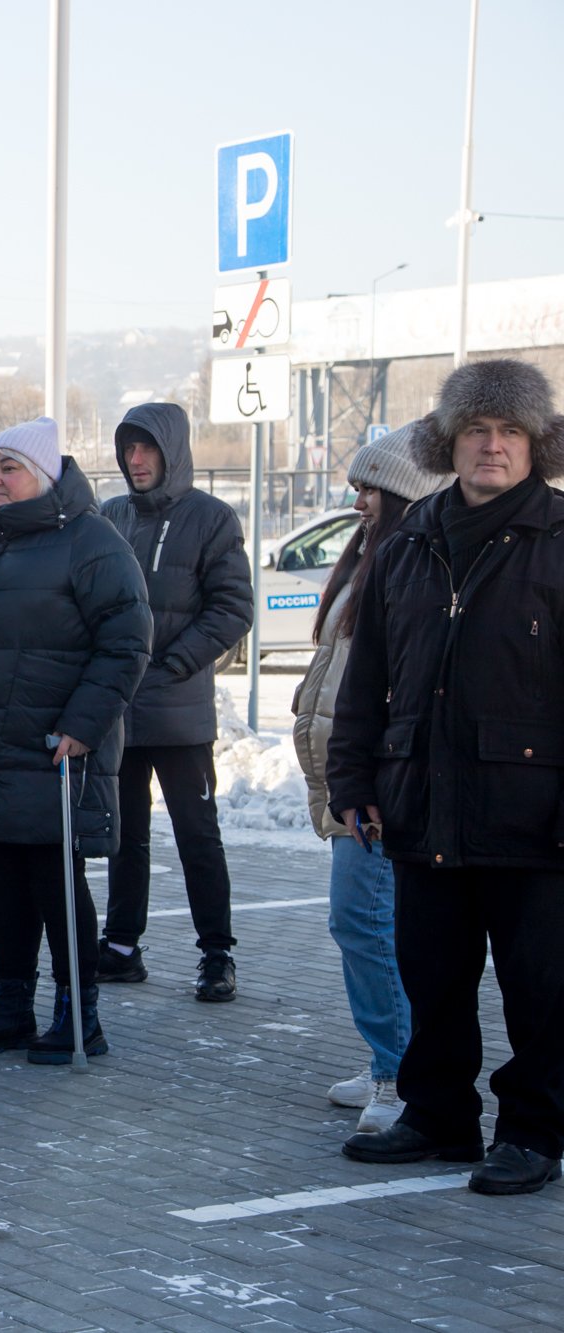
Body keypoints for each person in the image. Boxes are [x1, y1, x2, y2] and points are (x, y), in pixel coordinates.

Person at [331, 358, 564, 1196]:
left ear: (534, 444)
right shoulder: (413, 541)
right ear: (450, 441)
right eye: (476, 430)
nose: (492, 446)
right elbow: (368, 680)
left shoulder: (559, 537)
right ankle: (439, 1114)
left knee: (540, 984)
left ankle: (534, 1130)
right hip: (423, 802)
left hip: (534, 811)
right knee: (433, 972)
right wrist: (352, 778)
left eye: (508, 432)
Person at [0, 418, 150, 1063]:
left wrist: (82, 724)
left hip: (51, 748)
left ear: (43, 475)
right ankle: (9, 1006)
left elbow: (125, 642)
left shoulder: (91, 542)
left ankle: (78, 1015)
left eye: (7, 468)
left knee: (54, 881)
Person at [290, 423, 447, 1136]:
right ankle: (389, 1059)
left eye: (369, 487)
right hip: (348, 780)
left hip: (380, 787)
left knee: (367, 924)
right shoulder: (367, 560)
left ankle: (400, 1072)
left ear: (405, 494)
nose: (357, 500)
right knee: (361, 925)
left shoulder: (413, 565)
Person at [93, 403, 253, 1003]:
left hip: (180, 714)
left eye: (148, 449)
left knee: (196, 834)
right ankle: (122, 947)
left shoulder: (211, 519)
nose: (136, 461)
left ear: (173, 452)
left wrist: (175, 661)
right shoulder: (109, 516)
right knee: (123, 834)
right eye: (128, 450)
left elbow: (234, 607)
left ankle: (217, 954)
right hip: (119, 711)